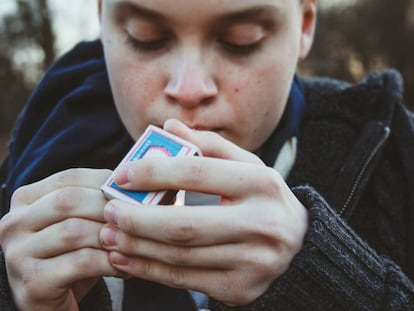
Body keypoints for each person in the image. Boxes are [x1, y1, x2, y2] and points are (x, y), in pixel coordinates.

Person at [0, 0, 413, 310]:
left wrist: (325, 277)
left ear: (304, 24)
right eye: (147, 37)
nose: (189, 87)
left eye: (241, 41)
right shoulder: (32, 166)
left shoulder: (397, 154)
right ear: (103, 18)